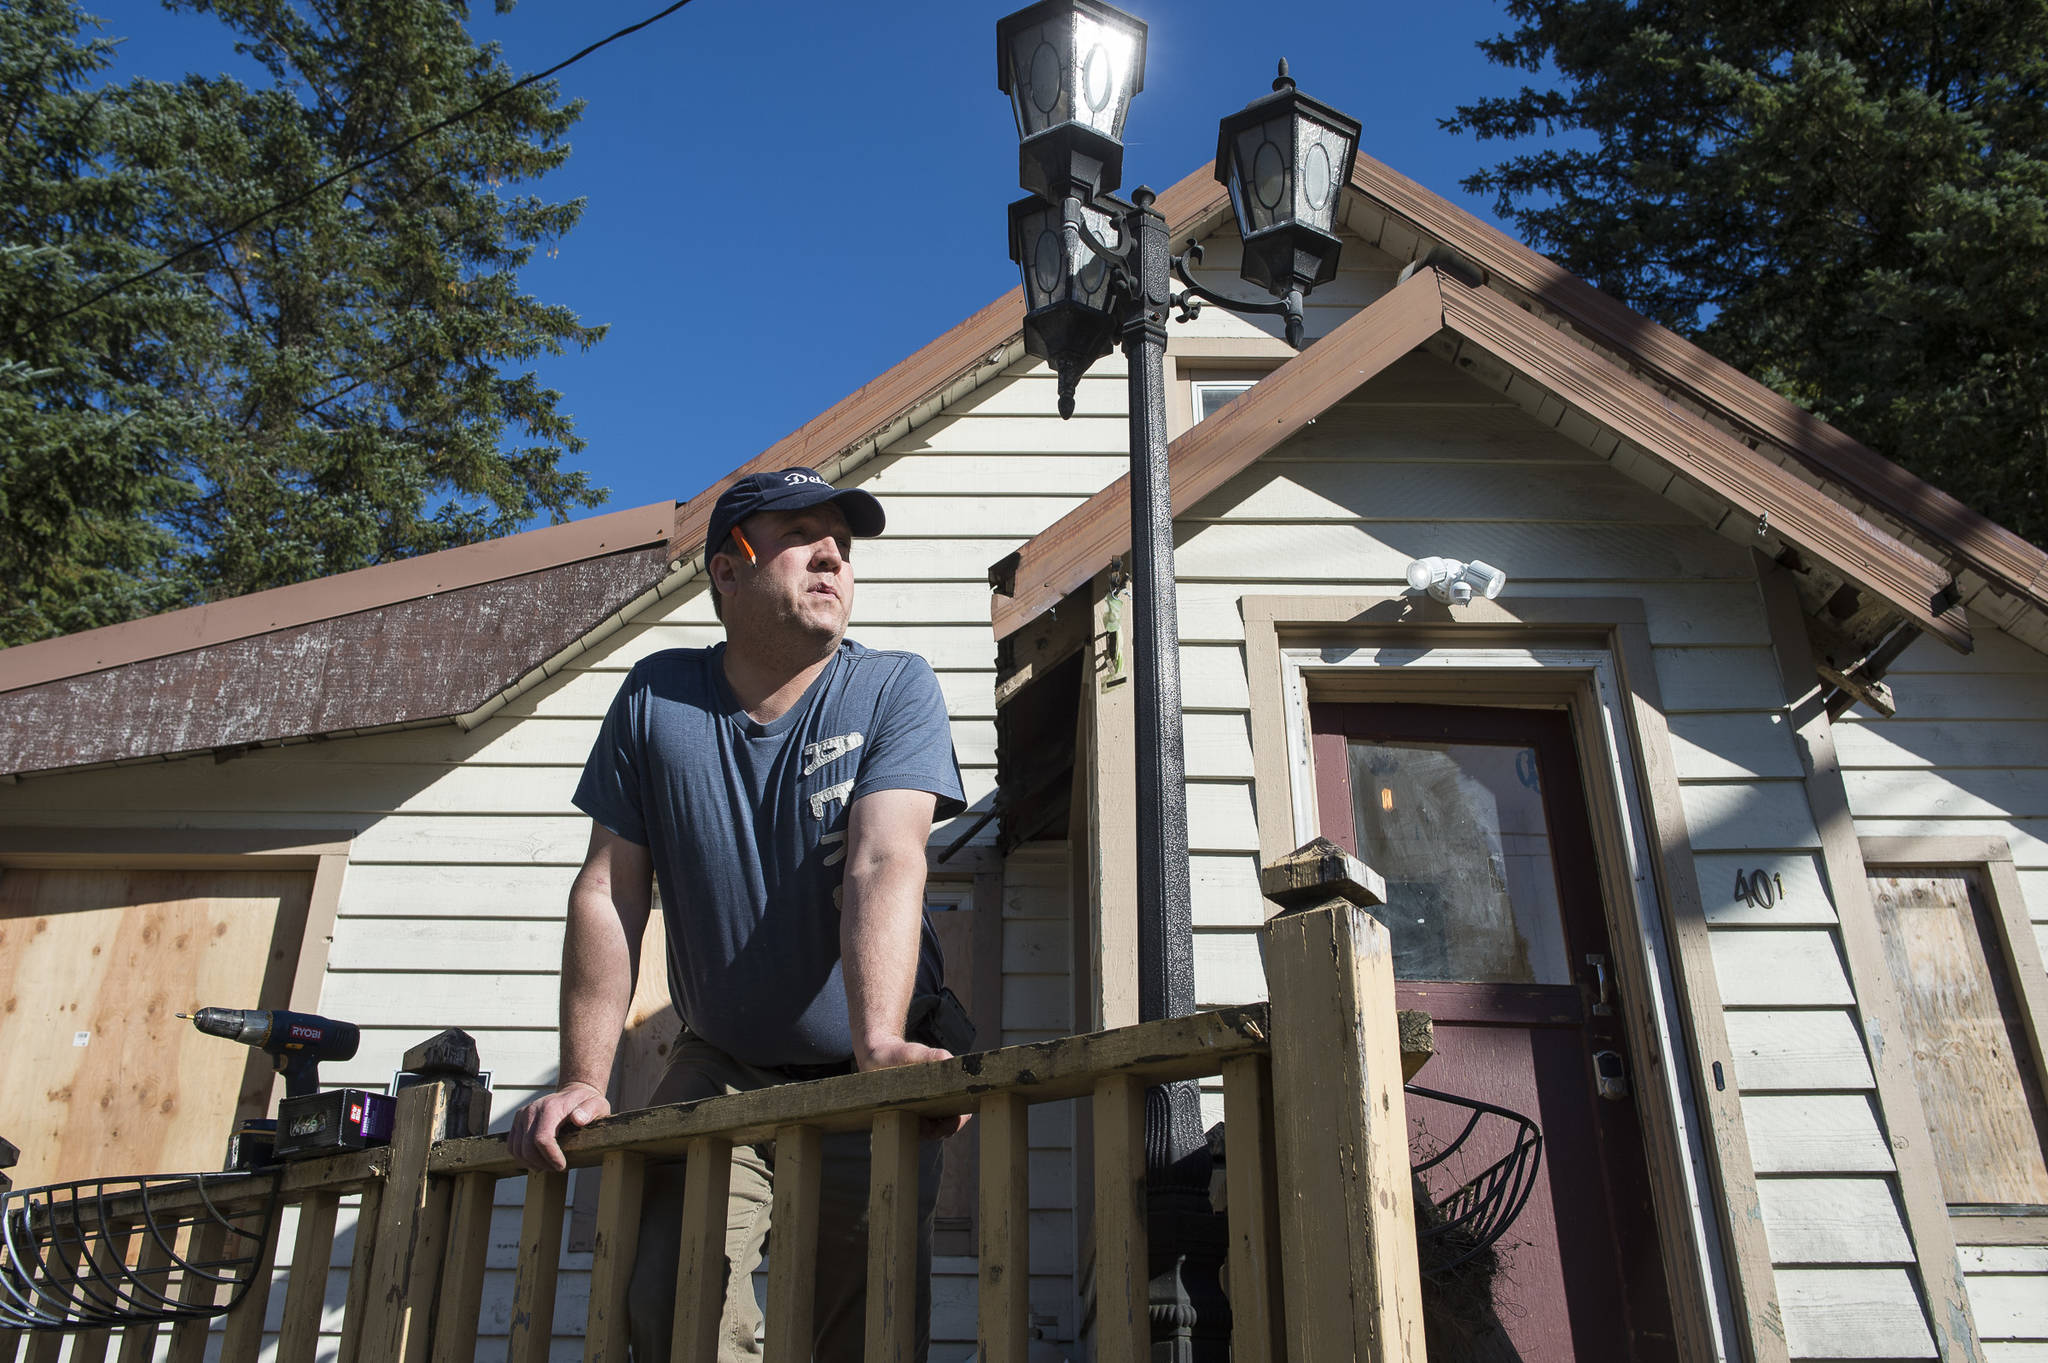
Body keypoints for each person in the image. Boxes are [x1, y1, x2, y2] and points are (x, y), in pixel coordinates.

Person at [507, 466, 968, 1362]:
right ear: (728, 568)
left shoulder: (892, 687)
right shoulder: (656, 698)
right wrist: (583, 1079)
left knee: (866, 1331)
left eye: (841, 539)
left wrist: (879, 1042)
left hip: (868, 1069)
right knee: (676, 1312)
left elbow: (886, 854)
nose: (833, 553)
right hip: (719, 1066)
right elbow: (609, 889)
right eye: (801, 532)